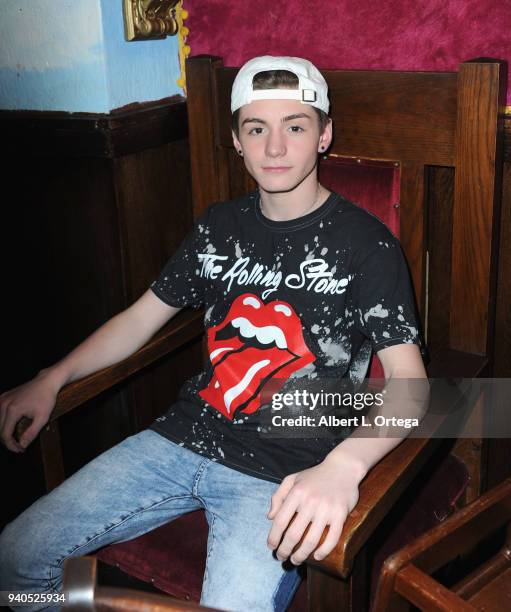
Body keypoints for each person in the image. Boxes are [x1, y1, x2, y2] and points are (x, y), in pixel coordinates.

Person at [0, 56, 427, 611]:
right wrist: (52, 376)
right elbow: (138, 320)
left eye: (295, 126)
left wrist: (345, 467)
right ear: (236, 140)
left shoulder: (367, 245)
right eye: (257, 128)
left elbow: (411, 385)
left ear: (324, 135)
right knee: (15, 559)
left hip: (281, 471)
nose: (275, 148)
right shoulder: (219, 227)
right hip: (178, 439)